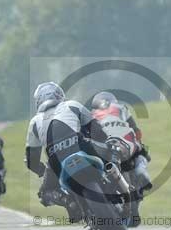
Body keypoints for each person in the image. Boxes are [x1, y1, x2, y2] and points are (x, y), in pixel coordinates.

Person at [24, 82, 112, 219]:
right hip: (82, 147)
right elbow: (96, 130)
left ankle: (70, 203)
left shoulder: (34, 122)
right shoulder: (72, 105)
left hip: (55, 162)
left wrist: (41, 171)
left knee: (45, 193)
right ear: (59, 95)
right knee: (111, 154)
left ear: (38, 101)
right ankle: (116, 179)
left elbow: (31, 159)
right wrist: (106, 142)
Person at [90, 91, 152, 192]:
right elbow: (136, 130)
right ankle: (141, 171)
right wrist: (139, 142)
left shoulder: (92, 114)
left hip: (103, 146)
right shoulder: (121, 108)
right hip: (125, 142)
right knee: (142, 151)